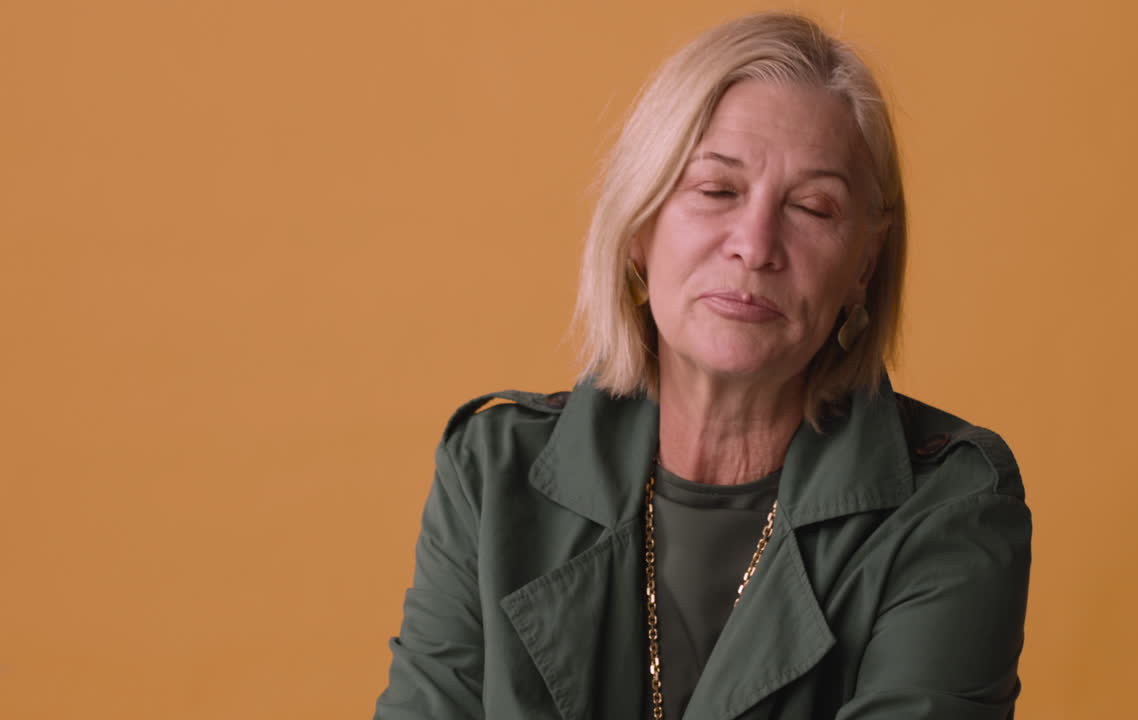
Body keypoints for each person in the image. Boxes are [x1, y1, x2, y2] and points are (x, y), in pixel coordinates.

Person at [374, 11, 1031, 720]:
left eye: (813, 207)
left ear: (863, 265)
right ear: (638, 228)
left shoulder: (951, 505)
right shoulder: (491, 475)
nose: (755, 245)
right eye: (717, 190)